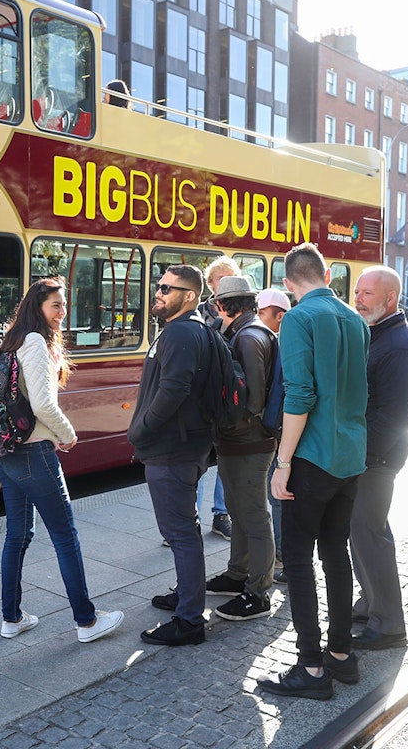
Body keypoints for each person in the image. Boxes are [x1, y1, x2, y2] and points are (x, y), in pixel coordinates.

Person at [257, 243, 368, 700]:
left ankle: (311, 667)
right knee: (336, 553)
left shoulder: (299, 318)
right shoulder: (356, 319)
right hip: (350, 456)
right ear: (327, 273)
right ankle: (340, 654)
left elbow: (299, 396)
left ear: (288, 283)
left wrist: (282, 462)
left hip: (312, 456)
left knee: (299, 559)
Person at [0, 278, 124, 643]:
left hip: (8, 452)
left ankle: (11, 618)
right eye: (56, 306)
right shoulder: (34, 342)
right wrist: (67, 434)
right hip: (33, 452)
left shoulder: (16, 339)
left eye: (64, 305)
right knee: (65, 536)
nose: (62, 313)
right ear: (38, 307)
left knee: (17, 534)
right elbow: (42, 405)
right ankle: (87, 621)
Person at [131, 264, 213, 647]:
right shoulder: (186, 330)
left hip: (172, 449)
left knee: (179, 533)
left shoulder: (181, 333)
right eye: (158, 286)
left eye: (167, 288)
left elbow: (174, 389)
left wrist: (141, 429)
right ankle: (187, 596)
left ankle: (190, 620)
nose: (159, 292)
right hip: (182, 446)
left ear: (190, 295)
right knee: (185, 529)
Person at [348, 267, 408, 650]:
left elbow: (392, 416)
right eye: (358, 291)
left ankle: (389, 625)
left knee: (370, 536)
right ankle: (371, 603)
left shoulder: (399, 344)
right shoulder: (377, 332)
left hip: (374, 458)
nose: (358, 298)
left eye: (367, 293)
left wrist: (361, 458)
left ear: (390, 298)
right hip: (366, 454)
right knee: (363, 535)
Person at [205, 276, 278, 622]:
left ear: (224, 305)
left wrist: (226, 426)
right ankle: (238, 575)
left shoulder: (248, 338)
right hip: (242, 442)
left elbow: (253, 401)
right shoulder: (250, 332)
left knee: (253, 516)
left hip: (248, 442)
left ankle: (258, 592)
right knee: (238, 511)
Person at [200, 257, 238, 540]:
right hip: (203, 393)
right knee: (197, 458)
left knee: (225, 458)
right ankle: (190, 516)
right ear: (210, 283)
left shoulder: (244, 313)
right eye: (217, 280)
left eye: (228, 279)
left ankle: (220, 513)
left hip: (228, 395)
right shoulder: (199, 311)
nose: (222, 285)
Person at [257, 287, 290, 581]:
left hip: (279, 436)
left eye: (262, 313)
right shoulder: (271, 340)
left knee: (278, 497)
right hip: (278, 433)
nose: (258, 317)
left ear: (280, 316)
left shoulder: (280, 343)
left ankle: (285, 556)